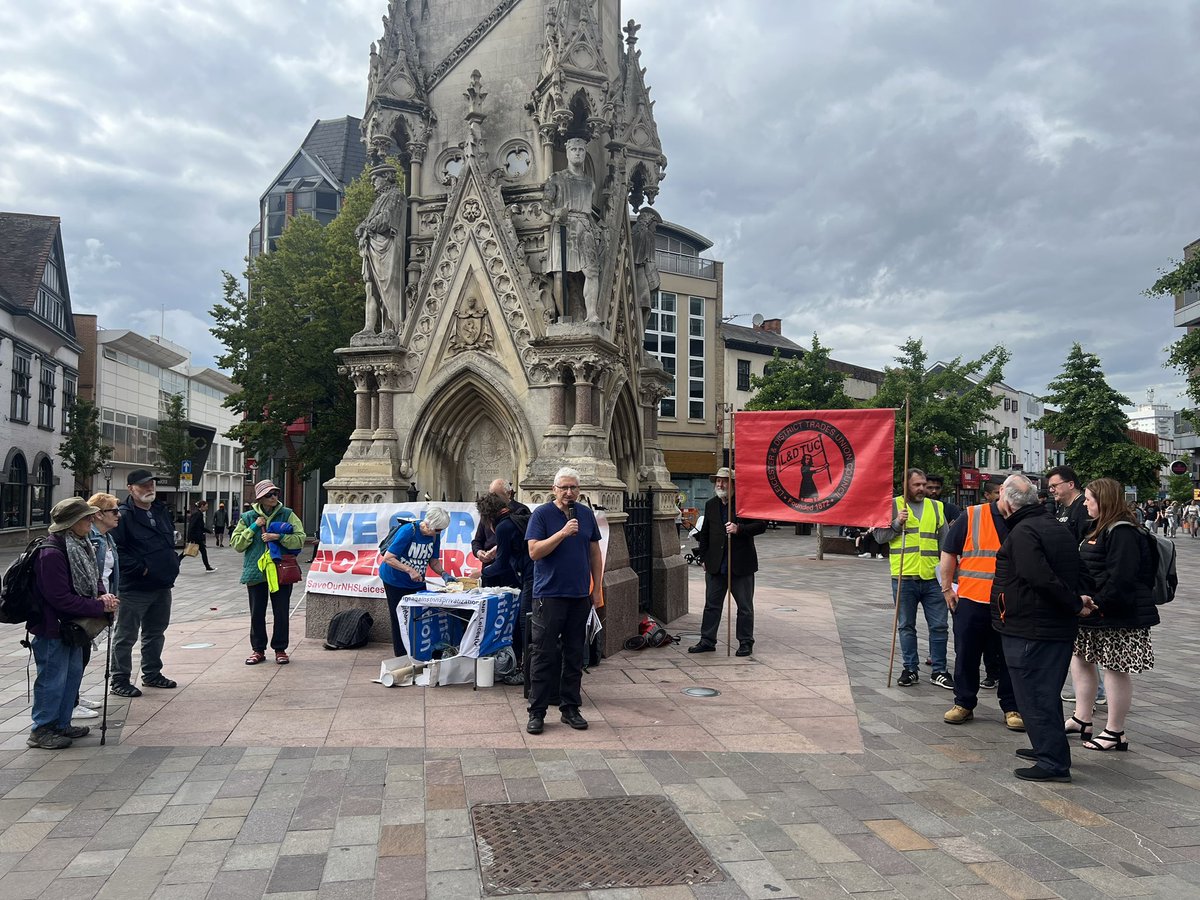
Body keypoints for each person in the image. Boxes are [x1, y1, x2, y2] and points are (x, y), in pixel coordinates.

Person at [991, 474, 1090, 783]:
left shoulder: (1024, 532)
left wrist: (1075, 603)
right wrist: (1080, 601)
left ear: (1007, 501)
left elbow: (1039, 577)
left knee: (1035, 695)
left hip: (1031, 628)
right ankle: (1046, 746)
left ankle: (1053, 762)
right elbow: (1078, 568)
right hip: (1049, 626)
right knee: (1043, 693)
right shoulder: (1053, 526)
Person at [1069, 478, 1160, 753]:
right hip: (1094, 612)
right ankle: (1082, 718)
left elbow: (1122, 578)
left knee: (1115, 668)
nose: (1085, 503)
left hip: (1117, 614)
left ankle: (1114, 731)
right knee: (1081, 659)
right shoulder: (1098, 527)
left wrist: (1097, 603)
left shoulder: (1123, 532)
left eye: (1089, 499)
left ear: (1104, 500)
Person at [28, 498, 119, 749]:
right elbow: (60, 599)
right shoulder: (52, 552)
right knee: (52, 680)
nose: (91, 521)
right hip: (53, 627)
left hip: (72, 628)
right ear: (72, 523)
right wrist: (98, 606)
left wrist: (102, 594)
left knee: (71, 676)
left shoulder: (80, 544)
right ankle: (42, 728)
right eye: (87, 518)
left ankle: (61, 723)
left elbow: (93, 576)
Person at [525, 467, 604, 734]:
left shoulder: (585, 515)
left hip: (579, 595)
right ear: (554, 489)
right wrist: (562, 533)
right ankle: (537, 712)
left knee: (574, 655)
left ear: (579, 490)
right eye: (564, 488)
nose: (569, 492)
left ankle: (570, 708)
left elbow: (594, 552)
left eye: (573, 488)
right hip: (549, 596)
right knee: (543, 654)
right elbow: (534, 552)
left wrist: (597, 588)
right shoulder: (542, 514)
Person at [939, 489, 1023, 732]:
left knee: (1010, 658)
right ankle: (963, 703)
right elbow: (949, 552)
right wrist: (946, 589)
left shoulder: (1024, 518)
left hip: (1010, 603)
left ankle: (1012, 706)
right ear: (1002, 494)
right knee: (966, 654)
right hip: (971, 599)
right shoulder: (973, 516)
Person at [876, 468, 952, 689]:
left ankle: (939, 670)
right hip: (903, 576)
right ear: (906, 485)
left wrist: (948, 579)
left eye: (924, 485)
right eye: (917, 485)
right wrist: (897, 523)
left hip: (932, 578)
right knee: (906, 626)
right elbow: (880, 537)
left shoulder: (937, 507)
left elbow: (945, 545)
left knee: (939, 626)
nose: (922, 489)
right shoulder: (892, 505)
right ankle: (910, 669)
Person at [110, 469, 181, 698]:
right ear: (131, 488)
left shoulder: (160, 510)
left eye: (151, 484)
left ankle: (152, 673)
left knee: (155, 632)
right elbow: (116, 550)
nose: (149, 488)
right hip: (135, 587)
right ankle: (119, 679)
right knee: (126, 635)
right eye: (143, 485)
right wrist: (142, 568)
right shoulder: (124, 515)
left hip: (162, 584)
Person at [688, 466, 767, 657]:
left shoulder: (744, 504)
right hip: (716, 565)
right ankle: (707, 640)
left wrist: (739, 529)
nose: (720, 484)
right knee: (711, 605)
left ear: (733, 484)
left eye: (724, 481)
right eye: (718, 481)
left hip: (741, 564)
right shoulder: (711, 504)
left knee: (744, 607)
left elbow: (761, 525)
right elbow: (705, 533)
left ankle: (745, 642)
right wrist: (703, 557)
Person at [230, 480, 307, 665]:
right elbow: (237, 544)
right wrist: (254, 527)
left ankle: (280, 649)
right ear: (260, 499)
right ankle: (258, 650)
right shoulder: (247, 517)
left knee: (281, 612)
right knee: (257, 612)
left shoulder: (287, 514)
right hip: (256, 572)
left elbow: (300, 539)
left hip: (281, 571)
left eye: (275, 493)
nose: (273, 497)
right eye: (269, 495)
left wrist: (278, 537)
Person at [378, 506, 455, 659]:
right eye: (438, 530)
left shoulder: (434, 536)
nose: (440, 533)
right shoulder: (409, 531)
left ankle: (419, 651)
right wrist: (409, 570)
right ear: (429, 525)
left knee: (420, 616)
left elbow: (433, 562)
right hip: (395, 580)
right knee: (400, 618)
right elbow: (388, 557)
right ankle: (402, 656)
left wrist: (444, 574)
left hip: (417, 582)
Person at [73, 492, 122, 720]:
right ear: (99, 514)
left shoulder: (107, 538)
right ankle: (70, 702)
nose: (118, 515)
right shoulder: (90, 538)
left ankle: (73, 695)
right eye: (114, 511)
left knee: (83, 652)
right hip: (89, 602)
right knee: (78, 650)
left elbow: (109, 573)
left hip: (102, 601)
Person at [544, 137, 601, 322]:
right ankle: (564, 317)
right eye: (574, 149)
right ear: (567, 152)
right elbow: (545, 203)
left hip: (584, 226)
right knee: (560, 272)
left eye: (581, 150)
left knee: (592, 271)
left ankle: (591, 313)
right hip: (563, 225)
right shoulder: (556, 178)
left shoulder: (589, 182)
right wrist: (555, 211)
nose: (578, 153)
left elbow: (590, 210)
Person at [475, 492, 533, 663]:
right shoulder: (517, 517)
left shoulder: (503, 527)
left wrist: (482, 573)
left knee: (524, 621)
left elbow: (501, 564)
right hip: (535, 572)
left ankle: (526, 668)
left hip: (530, 575)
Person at [356, 165, 407, 335]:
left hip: (387, 247)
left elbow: (386, 218)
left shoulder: (395, 195)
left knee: (388, 286)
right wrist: (363, 226)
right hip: (372, 246)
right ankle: (369, 327)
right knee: (371, 287)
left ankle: (391, 326)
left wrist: (366, 226)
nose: (373, 183)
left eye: (375, 179)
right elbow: (369, 221)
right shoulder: (379, 200)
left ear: (386, 176)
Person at [471, 479, 530, 571]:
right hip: (489, 565)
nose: (492, 499)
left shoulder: (520, 511)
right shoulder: (488, 512)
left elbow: (524, 541)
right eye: (490, 495)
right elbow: (477, 540)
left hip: (512, 568)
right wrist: (478, 552)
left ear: (509, 494)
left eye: (496, 496)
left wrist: (498, 548)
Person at [1045, 466, 1091, 542]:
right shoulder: (1061, 507)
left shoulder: (1083, 506)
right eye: (1050, 487)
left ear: (1071, 485)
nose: (1051, 490)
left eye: (1054, 486)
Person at [184, 500, 217, 573]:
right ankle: (207, 567)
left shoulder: (198, 513)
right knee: (200, 551)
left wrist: (209, 531)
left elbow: (200, 526)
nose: (207, 508)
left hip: (196, 536)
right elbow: (192, 526)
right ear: (202, 506)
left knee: (190, 551)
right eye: (206, 506)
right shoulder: (198, 514)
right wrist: (190, 537)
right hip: (195, 537)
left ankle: (207, 567)